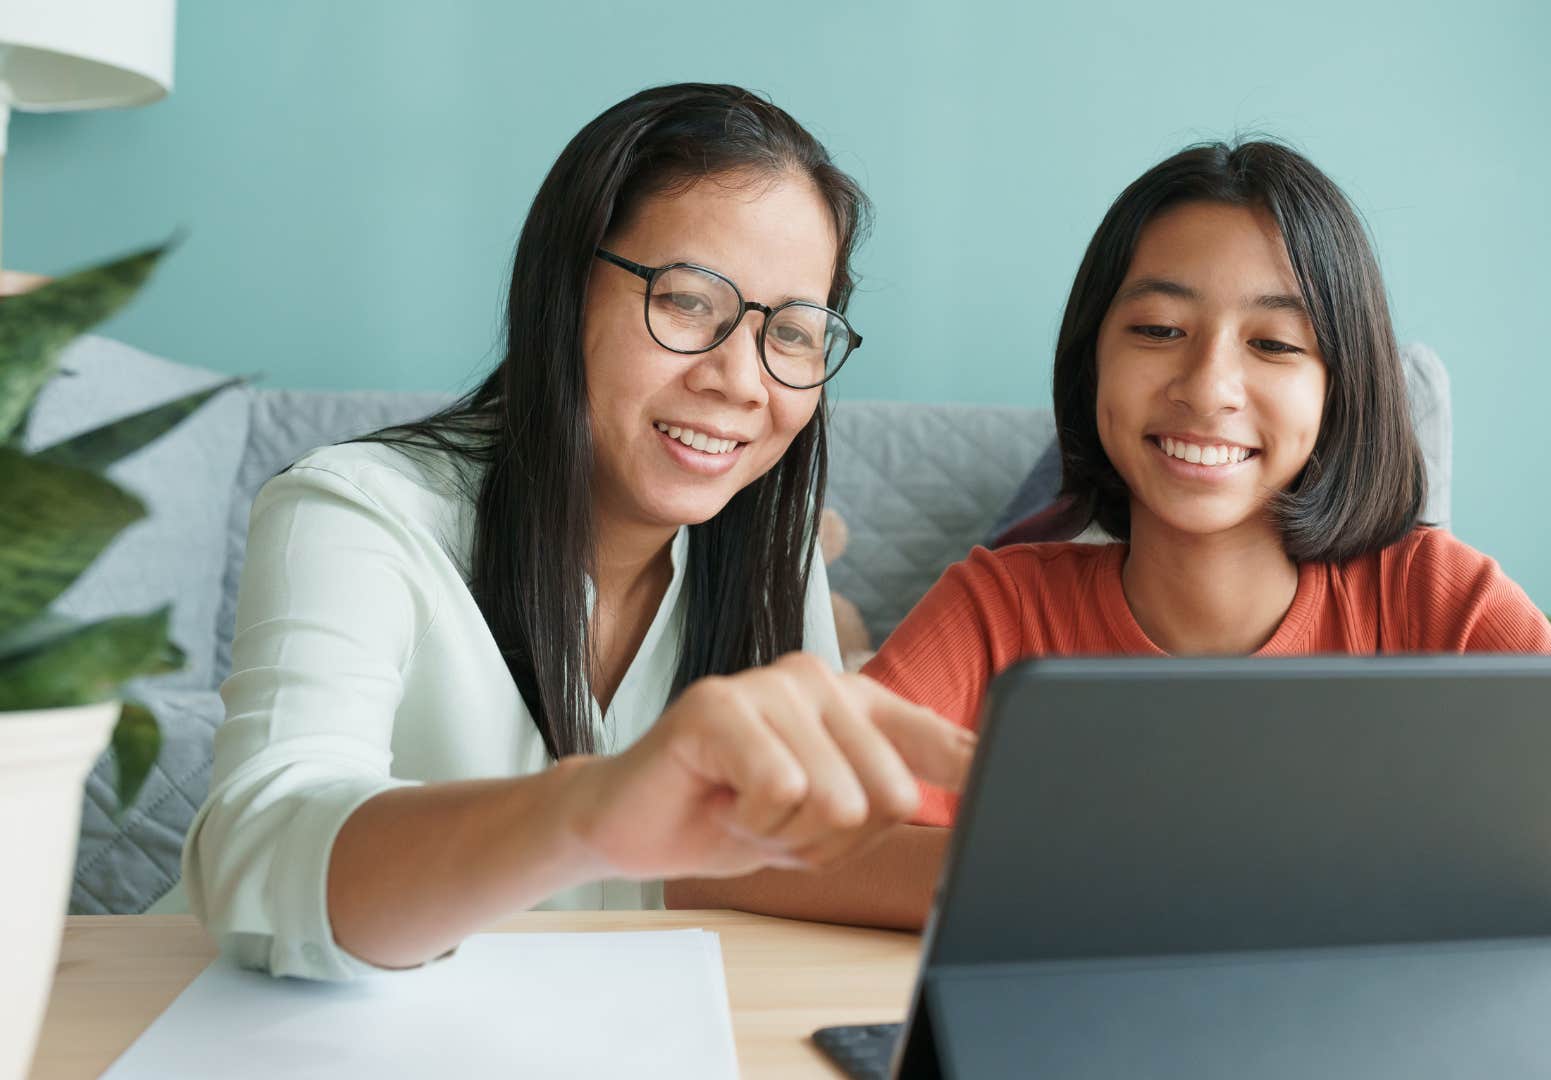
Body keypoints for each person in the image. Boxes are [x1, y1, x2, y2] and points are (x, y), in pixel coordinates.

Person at [671, 139, 1551, 960]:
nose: (1209, 386)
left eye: (1276, 343)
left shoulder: (1434, 597)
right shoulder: (1001, 607)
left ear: (1344, 387)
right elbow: (727, 853)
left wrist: (1368, 887)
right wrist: (1096, 888)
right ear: (1092, 363)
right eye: (1160, 330)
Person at [182, 83, 971, 980]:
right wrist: (588, 811)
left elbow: (785, 855)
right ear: (561, 291)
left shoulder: (770, 551)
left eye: (792, 332)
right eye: (686, 301)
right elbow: (254, 863)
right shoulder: (354, 511)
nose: (743, 380)